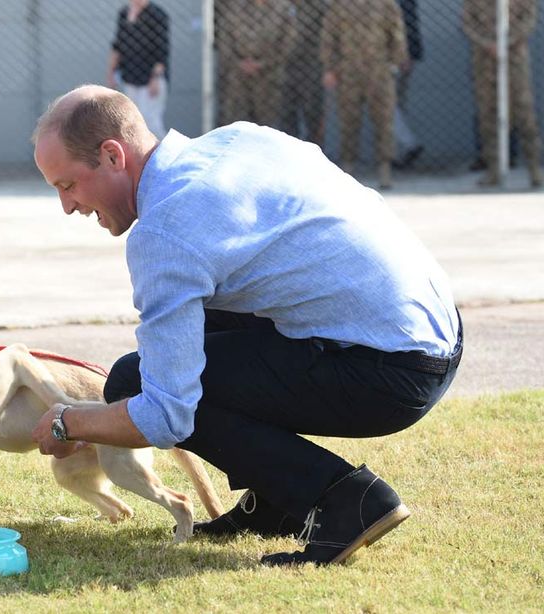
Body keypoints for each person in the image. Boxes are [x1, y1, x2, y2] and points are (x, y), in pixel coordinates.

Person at [30, 85, 461, 566]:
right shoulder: (238, 139)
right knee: (189, 339)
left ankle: (346, 501)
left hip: (390, 370)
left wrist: (70, 421)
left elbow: (166, 414)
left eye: (67, 185)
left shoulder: (164, 230)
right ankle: (277, 501)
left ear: (113, 155)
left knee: (135, 380)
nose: (68, 207)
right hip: (433, 330)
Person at [321, 0, 408, 189]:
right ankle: (348, 167)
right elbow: (329, 37)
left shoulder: (386, 4)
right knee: (349, 119)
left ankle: (384, 168)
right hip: (348, 71)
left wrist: (394, 62)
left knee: (384, 120)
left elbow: (397, 34)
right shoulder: (338, 5)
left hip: (380, 71)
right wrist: (330, 68)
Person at [463, 0, 541, 188]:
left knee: (524, 113)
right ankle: (493, 171)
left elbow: (529, 19)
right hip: (484, 60)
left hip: (515, 58)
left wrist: (508, 41)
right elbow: (467, 23)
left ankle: (535, 170)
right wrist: (487, 44)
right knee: (488, 114)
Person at [217, 0, 296, 130]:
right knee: (236, 122)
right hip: (238, 75)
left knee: (268, 124)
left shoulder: (283, 7)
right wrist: (238, 63)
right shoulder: (235, 6)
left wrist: (263, 64)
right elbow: (224, 39)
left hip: (269, 76)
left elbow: (288, 42)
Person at [107, 0, 170, 138]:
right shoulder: (124, 14)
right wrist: (111, 73)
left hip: (151, 79)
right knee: (134, 123)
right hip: (130, 76)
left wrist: (155, 78)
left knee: (151, 122)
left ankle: (166, 153)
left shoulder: (157, 15)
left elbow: (162, 51)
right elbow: (118, 45)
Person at [280, 0, 327, 147]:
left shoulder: (316, 6)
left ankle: (315, 154)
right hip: (284, 65)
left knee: (313, 112)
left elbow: (324, 36)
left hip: (311, 65)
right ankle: (287, 153)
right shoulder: (280, 6)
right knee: (286, 114)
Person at [392, 0, 424, 170]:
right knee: (394, 104)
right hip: (385, 57)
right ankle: (398, 152)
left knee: (388, 104)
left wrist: (408, 54)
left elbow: (409, 23)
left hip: (393, 58)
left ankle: (408, 144)